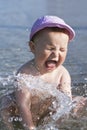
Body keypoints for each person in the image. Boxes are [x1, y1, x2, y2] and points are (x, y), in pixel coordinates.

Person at [0, 15, 75, 130]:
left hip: (46, 111)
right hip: (20, 113)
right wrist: (30, 127)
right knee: (5, 104)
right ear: (33, 47)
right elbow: (23, 104)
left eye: (62, 49)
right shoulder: (26, 73)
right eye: (50, 48)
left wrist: (56, 124)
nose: (56, 54)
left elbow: (65, 103)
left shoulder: (62, 74)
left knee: (78, 102)